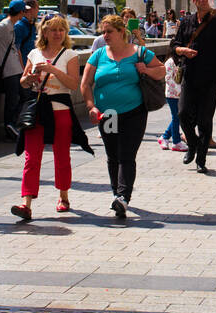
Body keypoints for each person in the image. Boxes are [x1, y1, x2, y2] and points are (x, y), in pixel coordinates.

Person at [82, 14, 164, 219]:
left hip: (133, 112)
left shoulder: (139, 52)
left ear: (121, 32)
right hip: (108, 114)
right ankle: (116, 194)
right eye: (103, 31)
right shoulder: (99, 54)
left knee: (127, 154)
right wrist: (91, 106)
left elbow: (161, 70)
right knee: (113, 155)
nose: (105, 35)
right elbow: (85, 83)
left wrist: (146, 69)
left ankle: (123, 197)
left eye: (109, 31)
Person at [14, 15, 91, 220]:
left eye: (62, 30)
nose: (58, 33)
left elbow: (74, 84)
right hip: (38, 109)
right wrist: (28, 79)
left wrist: (51, 69)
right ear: (44, 32)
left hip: (60, 108)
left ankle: (63, 196)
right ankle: (26, 203)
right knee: (31, 157)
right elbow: (23, 81)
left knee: (62, 154)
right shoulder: (34, 53)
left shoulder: (70, 55)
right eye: (53, 30)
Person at [172, 0, 216, 174]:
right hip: (189, 77)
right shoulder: (186, 22)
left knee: (205, 121)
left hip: (210, 79)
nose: (203, 0)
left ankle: (201, 159)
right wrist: (182, 50)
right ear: (194, 0)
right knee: (182, 113)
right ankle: (192, 144)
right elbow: (174, 44)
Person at [0, 0, 28, 138]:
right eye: (24, 11)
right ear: (20, 12)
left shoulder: (11, 24)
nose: (25, 14)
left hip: (15, 68)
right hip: (9, 69)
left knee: (22, 97)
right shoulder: (4, 25)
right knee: (13, 99)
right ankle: (9, 126)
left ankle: (12, 124)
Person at [158, 52, 187, 151]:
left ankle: (165, 137)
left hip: (179, 94)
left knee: (177, 117)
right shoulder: (169, 62)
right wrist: (178, 90)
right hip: (172, 94)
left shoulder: (181, 61)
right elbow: (168, 78)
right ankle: (176, 141)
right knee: (176, 117)